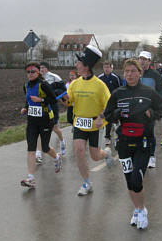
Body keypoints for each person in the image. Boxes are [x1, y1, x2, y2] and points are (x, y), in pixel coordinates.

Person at [104, 59, 162, 230]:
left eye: (133, 71)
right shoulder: (117, 93)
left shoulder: (149, 92)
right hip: (123, 142)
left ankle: (143, 210)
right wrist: (116, 113)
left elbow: (161, 110)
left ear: (139, 73)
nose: (129, 74)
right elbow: (108, 115)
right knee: (129, 180)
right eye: (126, 71)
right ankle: (137, 209)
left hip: (143, 141)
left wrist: (151, 112)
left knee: (137, 179)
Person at [66, 45, 114, 196]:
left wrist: (101, 117)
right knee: (79, 151)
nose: (76, 65)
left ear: (86, 66)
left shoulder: (100, 85)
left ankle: (106, 153)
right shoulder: (74, 83)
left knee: (94, 156)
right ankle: (87, 182)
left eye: (78, 63)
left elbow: (110, 105)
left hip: (94, 124)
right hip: (79, 123)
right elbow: (69, 102)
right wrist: (64, 99)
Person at [20, 62, 62, 188]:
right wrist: (25, 108)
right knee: (31, 149)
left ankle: (56, 157)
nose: (30, 74)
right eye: (28, 72)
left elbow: (54, 99)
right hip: (32, 120)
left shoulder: (43, 85)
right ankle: (31, 178)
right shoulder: (26, 86)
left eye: (33, 71)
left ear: (38, 72)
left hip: (45, 120)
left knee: (44, 148)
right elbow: (28, 99)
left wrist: (41, 100)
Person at [137, 51, 162, 168]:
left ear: (149, 62)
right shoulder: (135, 73)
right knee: (137, 133)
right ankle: (139, 155)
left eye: (145, 59)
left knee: (149, 132)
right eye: (141, 59)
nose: (142, 61)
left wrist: (155, 104)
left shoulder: (155, 75)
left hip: (150, 109)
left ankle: (151, 156)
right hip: (136, 109)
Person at [39, 62, 67, 157]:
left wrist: (54, 95)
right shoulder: (37, 78)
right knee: (39, 128)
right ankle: (38, 153)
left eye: (43, 67)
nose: (41, 69)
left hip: (52, 106)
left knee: (54, 127)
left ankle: (62, 141)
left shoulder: (55, 77)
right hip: (42, 106)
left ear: (47, 68)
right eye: (40, 68)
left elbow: (63, 90)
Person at [98, 61, 121, 145]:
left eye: (108, 67)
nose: (106, 69)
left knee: (113, 119)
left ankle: (116, 136)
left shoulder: (116, 78)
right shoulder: (100, 77)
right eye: (105, 67)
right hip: (103, 103)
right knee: (107, 120)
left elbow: (119, 89)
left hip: (113, 102)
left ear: (111, 68)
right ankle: (107, 137)